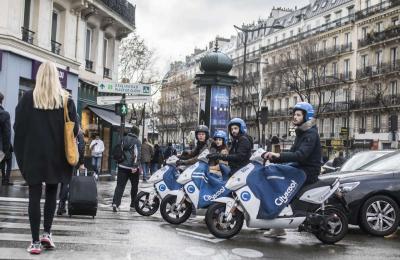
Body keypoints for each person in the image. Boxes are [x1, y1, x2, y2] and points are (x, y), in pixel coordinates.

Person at [13, 61, 78, 254]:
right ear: (56, 77)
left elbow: (19, 128)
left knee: (34, 195)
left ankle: (34, 242)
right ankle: (47, 233)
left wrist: (23, 152)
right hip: (56, 156)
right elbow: (73, 130)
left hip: (33, 155)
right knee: (51, 193)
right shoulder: (66, 100)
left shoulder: (27, 98)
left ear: (39, 76)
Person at [262, 102, 321, 238]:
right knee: (273, 171)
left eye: (298, 115)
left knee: (279, 185)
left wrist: (278, 156)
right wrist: (274, 158)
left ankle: (279, 227)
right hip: (300, 168)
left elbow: (301, 156)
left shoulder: (310, 134)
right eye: (294, 114)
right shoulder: (302, 132)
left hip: (307, 172)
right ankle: (277, 225)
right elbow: (293, 153)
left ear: (306, 117)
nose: (294, 117)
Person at [57, 126, 86, 215]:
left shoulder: (62, 129)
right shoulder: (78, 132)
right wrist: (81, 163)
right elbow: (81, 148)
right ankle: (62, 205)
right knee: (67, 182)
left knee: (60, 181)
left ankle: (60, 204)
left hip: (59, 159)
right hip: (71, 159)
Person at [112, 125, 141, 212]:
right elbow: (137, 154)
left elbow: (118, 150)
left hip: (122, 166)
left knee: (120, 186)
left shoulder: (123, 138)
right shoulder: (137, 141)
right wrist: (135, 166)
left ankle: (115, 203)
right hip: (132, 168)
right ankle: (133, 204)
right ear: (137, 133)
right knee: (134, 187)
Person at [0, 92, 12, 185]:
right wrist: (6, 150)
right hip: (2, 146)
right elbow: (7, 134)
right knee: (8, 162)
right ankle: (5, 180)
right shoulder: (4, 114)